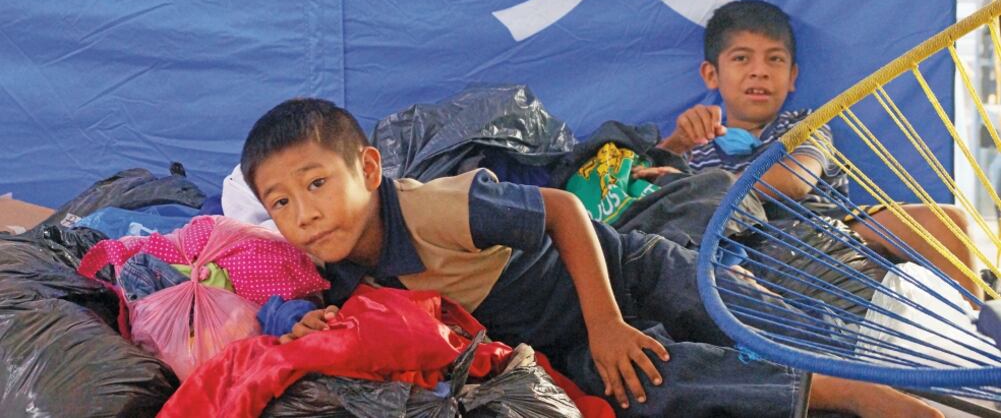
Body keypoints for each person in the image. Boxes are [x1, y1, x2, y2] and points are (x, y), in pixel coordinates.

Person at [238, 97, 940, 417]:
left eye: (316, 184)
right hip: (556, 340)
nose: (304, 214)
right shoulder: (335, 265)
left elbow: (565, 210)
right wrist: (311, 324)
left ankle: (884, 387)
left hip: (624, 272)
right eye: (280, 203)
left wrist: (607, 322)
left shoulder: (429, 206)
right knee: (655, 388)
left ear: (366, 167)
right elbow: (361, 313)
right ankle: (830, 399)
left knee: (738, 314)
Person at [637, 0, 981, 300]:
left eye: (774, 60)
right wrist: (676, 145)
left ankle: (977, 331)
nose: (759, 72)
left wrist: (710, 185)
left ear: (792, 77)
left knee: (945, 221)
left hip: (827, 231)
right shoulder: (694, 142)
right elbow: (646, 190)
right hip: (735, 247)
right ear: (712, 74)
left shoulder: (806, 124)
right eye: (741, 59)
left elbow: (797, 180)